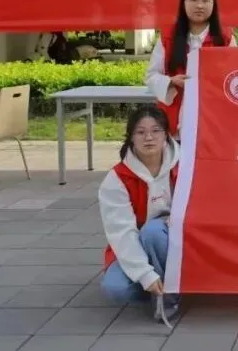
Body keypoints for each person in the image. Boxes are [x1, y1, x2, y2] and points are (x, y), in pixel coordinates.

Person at [99, 105, 180, 323]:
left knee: (153, 232)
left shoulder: (185, 165)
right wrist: (145, 275)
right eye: (141, 132)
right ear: (131, 137)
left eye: (155, 131)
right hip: (138, 244)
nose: (149, 138)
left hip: (179, 241)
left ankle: (170, 295)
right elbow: (121, 233)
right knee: (116, 288)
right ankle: (157, 286)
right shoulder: (117, 179)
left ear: (166, 134)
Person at [145, 0, 236, 136]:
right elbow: (151, 76)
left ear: (213, 4)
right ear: (184, 3)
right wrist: (171, 81)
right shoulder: (168, 36)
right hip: (175, 117)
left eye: (205, 0)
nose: (199, 5)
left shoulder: (225, 37)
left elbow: (235, 76)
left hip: (213, 119)